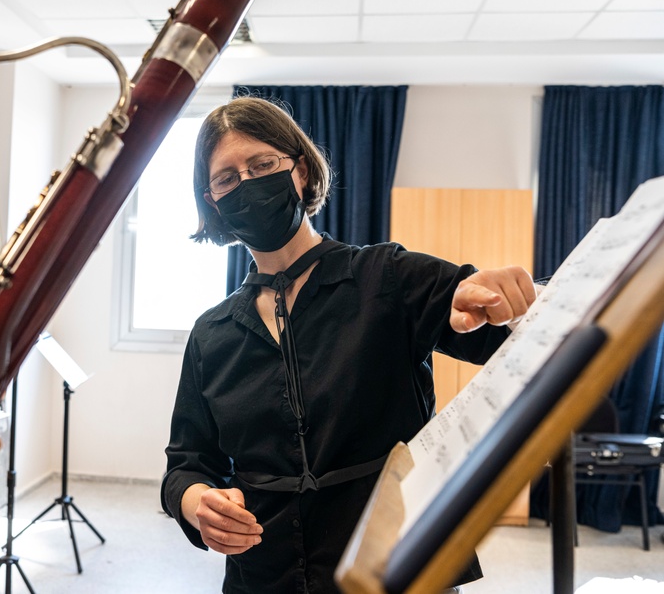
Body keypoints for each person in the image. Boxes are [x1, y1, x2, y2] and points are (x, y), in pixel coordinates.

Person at [160, 97, 537, 593]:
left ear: (299, 171)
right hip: (264, 574)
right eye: (227, 178)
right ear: (212, 201)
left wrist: (500, 301)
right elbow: (185, 465)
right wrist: (196, 503)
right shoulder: (212, 334)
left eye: (262, 164)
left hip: (396, 564)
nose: (246, 184)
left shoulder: (387, 276)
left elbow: (489, 323)